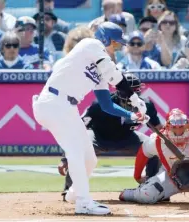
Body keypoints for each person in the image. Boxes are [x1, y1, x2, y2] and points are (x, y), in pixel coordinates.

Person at [32, 22, 148, 215]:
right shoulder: (89, 44)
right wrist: (135, 98)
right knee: (75, 151)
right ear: (104, 38)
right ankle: (83, 202)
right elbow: (115, 77)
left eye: (118, 45)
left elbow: (106, 105)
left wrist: (131, 114)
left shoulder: (102, 68)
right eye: (114, 43)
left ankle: (74, 193)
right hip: (53, 102)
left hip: (67, 107)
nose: (115, 48)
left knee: (90, 159)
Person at [58, 73, 163, 200]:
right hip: (98, 138)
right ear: (118, 91)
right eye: (128, 92)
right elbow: (77, 129)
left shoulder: (146, 105)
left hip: (128, 138)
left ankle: (152, 188)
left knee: (153, 147)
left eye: (135, 91)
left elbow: (158, 128)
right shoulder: (100, 104)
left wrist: (167, 149)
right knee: (81, 146)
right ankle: (69, 189)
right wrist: (65, 158)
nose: (131, 96)